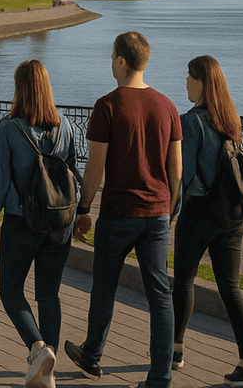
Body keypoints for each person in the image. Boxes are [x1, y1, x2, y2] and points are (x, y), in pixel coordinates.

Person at [66, 32, 182, 388]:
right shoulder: (167, 106)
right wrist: (169, 207)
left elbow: (95, 168)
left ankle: (93, 354)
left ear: (120, 61)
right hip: (157, 213)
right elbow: (176, 168)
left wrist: (83, 208)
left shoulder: (108, 105)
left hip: (119, 213)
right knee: (159, 293)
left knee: (104, 286)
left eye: (111, 55)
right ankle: (160, 375)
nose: (110, 61)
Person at [0, 60, 81, 388]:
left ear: (20, 88)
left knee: (10, 290)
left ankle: (38, 348)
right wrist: (78, 214)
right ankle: (47, 373)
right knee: (49, 294)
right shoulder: (65, 125)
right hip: (59, 224)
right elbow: (73, 174)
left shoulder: (10, 128)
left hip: (21, 221)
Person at [173, 56, 243, 388]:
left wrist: (170, 211)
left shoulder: (189, 122)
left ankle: (176, 352)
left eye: (189, 76)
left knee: (183, 282)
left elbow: (183, 175)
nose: (185, 82)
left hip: (198, 212)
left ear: (202, 82)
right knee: (232, 289)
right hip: (231, 215)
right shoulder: (231, 119)